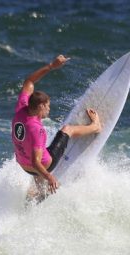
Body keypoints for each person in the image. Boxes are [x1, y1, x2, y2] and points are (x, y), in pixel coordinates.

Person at [11, 54, 101, 199]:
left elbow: (29, 81)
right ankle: (95, 126)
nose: (49, 109)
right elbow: (36, 161)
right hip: (43, 165)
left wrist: (51, 66)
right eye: (47, 106)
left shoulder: (21, 107)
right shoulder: (36, 129)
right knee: (67, 130)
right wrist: (50, 177)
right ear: (40, 106)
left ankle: (36, 195)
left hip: (23, 164)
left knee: (34, 156)